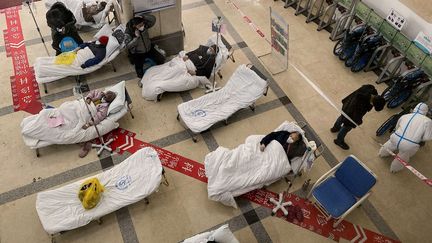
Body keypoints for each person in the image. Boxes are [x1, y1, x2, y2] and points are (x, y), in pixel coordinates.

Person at [379, 102, 432, 172]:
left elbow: (397, 127)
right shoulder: (428, 121)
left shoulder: (405, 116)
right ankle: (394, 169)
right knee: (403, 156)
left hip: (395, 137)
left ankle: (382, 153)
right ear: (426, 111)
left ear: (415, 108)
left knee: (391, 143)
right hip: (409, 145)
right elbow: (427, 138)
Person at [331, 84, 385, 150]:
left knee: (342, 117)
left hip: (347, 104)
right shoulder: (361, 103)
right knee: (347, 127)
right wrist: (358, 122)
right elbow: (356, 115)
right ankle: (339, 140)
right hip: (350, 112)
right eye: (373, 105)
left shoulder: (369, 89)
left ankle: (335, 128)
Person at [79, 90, 117, 158]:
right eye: (104, 96)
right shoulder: (99, 93)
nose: (104, 99)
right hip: (81, 105)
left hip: (86, 113)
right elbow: (92, 92)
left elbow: (98, 118)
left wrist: (89, 124)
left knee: (80, 127)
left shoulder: (104, 108)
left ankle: (86, 143)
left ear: (109, 101)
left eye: (106, 99)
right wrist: (89, 98)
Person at [125, 14, 163, 78]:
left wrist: (143, 16)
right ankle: (141, 78)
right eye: (140, 25)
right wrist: (136, 38)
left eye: (142, 24)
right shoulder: (128, 33)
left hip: (149, 48)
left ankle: (159, 73)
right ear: (135, 26)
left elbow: (153, 20)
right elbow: (128, 46)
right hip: (138, 53)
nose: (142, 26)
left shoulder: (145, 27)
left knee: (160, 58)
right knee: (139, 67)